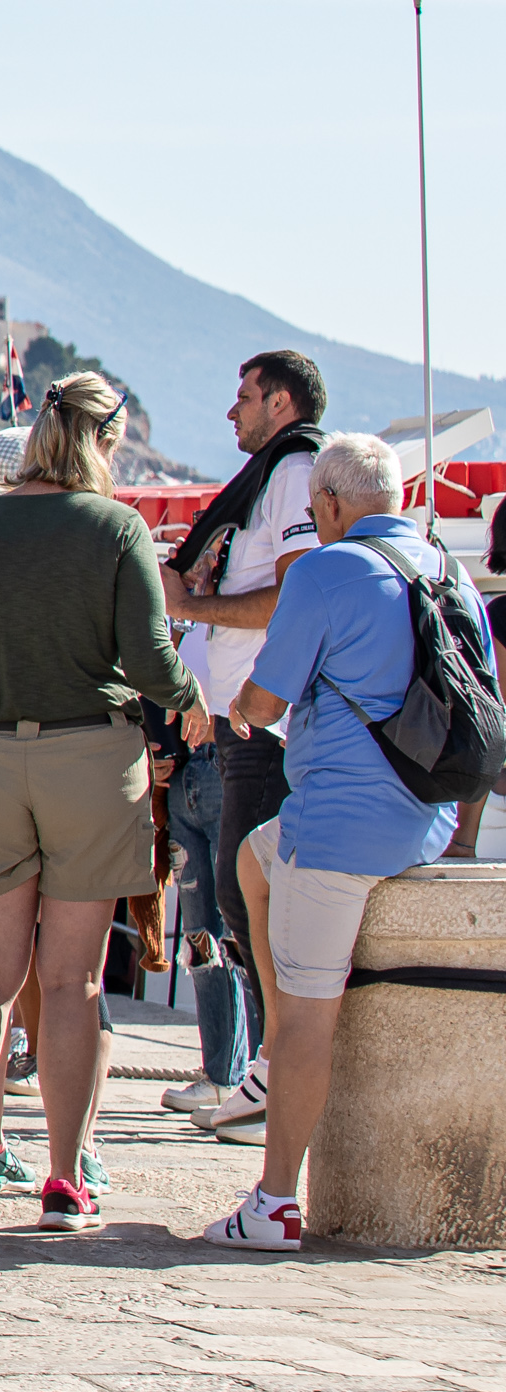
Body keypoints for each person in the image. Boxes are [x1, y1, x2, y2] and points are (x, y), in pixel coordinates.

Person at [0, 372, 201, 1233]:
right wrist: (190, 695)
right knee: (72, 981)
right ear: (107, 439)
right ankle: (65, 1178)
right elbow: (147, 660)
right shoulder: (117, 528)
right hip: (92, 759)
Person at [198, 432, 465, 1250]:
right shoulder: (443, 567)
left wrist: (237, 702)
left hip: (341, 829)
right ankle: (275, 1051)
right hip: (428, 818)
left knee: (313, 1013)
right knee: (252, 858)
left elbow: (269, 700)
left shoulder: (324, 569)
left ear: (331, 505)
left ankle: (275, 1202)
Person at [161, 350, 328, 1131]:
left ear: (282, 402)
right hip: (239, 720)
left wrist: (196, 603)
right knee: (237, 892)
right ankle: (266, 1067)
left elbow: (296, 590)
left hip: (266, 721)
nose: (233, 412)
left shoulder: (293, 471)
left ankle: (269, 1068)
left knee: (248, 891)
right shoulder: (275, 474)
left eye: (245, 397)